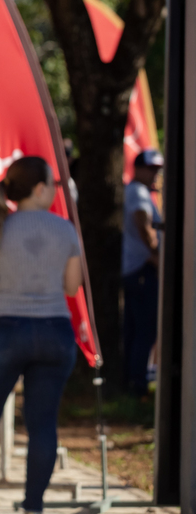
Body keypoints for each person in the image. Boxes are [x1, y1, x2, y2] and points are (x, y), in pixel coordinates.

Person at [0, 156, 82, 514]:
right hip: (55, 332)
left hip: (7, 331)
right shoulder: (66, 230)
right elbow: (72, 287)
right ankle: (33, 506)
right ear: (40, 189)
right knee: (42, 425)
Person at [121, 148, 163, 397]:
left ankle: (132, 380)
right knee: (145, 329)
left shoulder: (138, 192)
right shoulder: (138, 192)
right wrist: (159, 258)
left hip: (137, 269)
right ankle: (136, 384)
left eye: (158, 170)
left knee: (136, 329)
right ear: (137, 169)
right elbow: (143, 224)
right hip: (142, 270)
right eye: (151, 169)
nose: (155, 174)